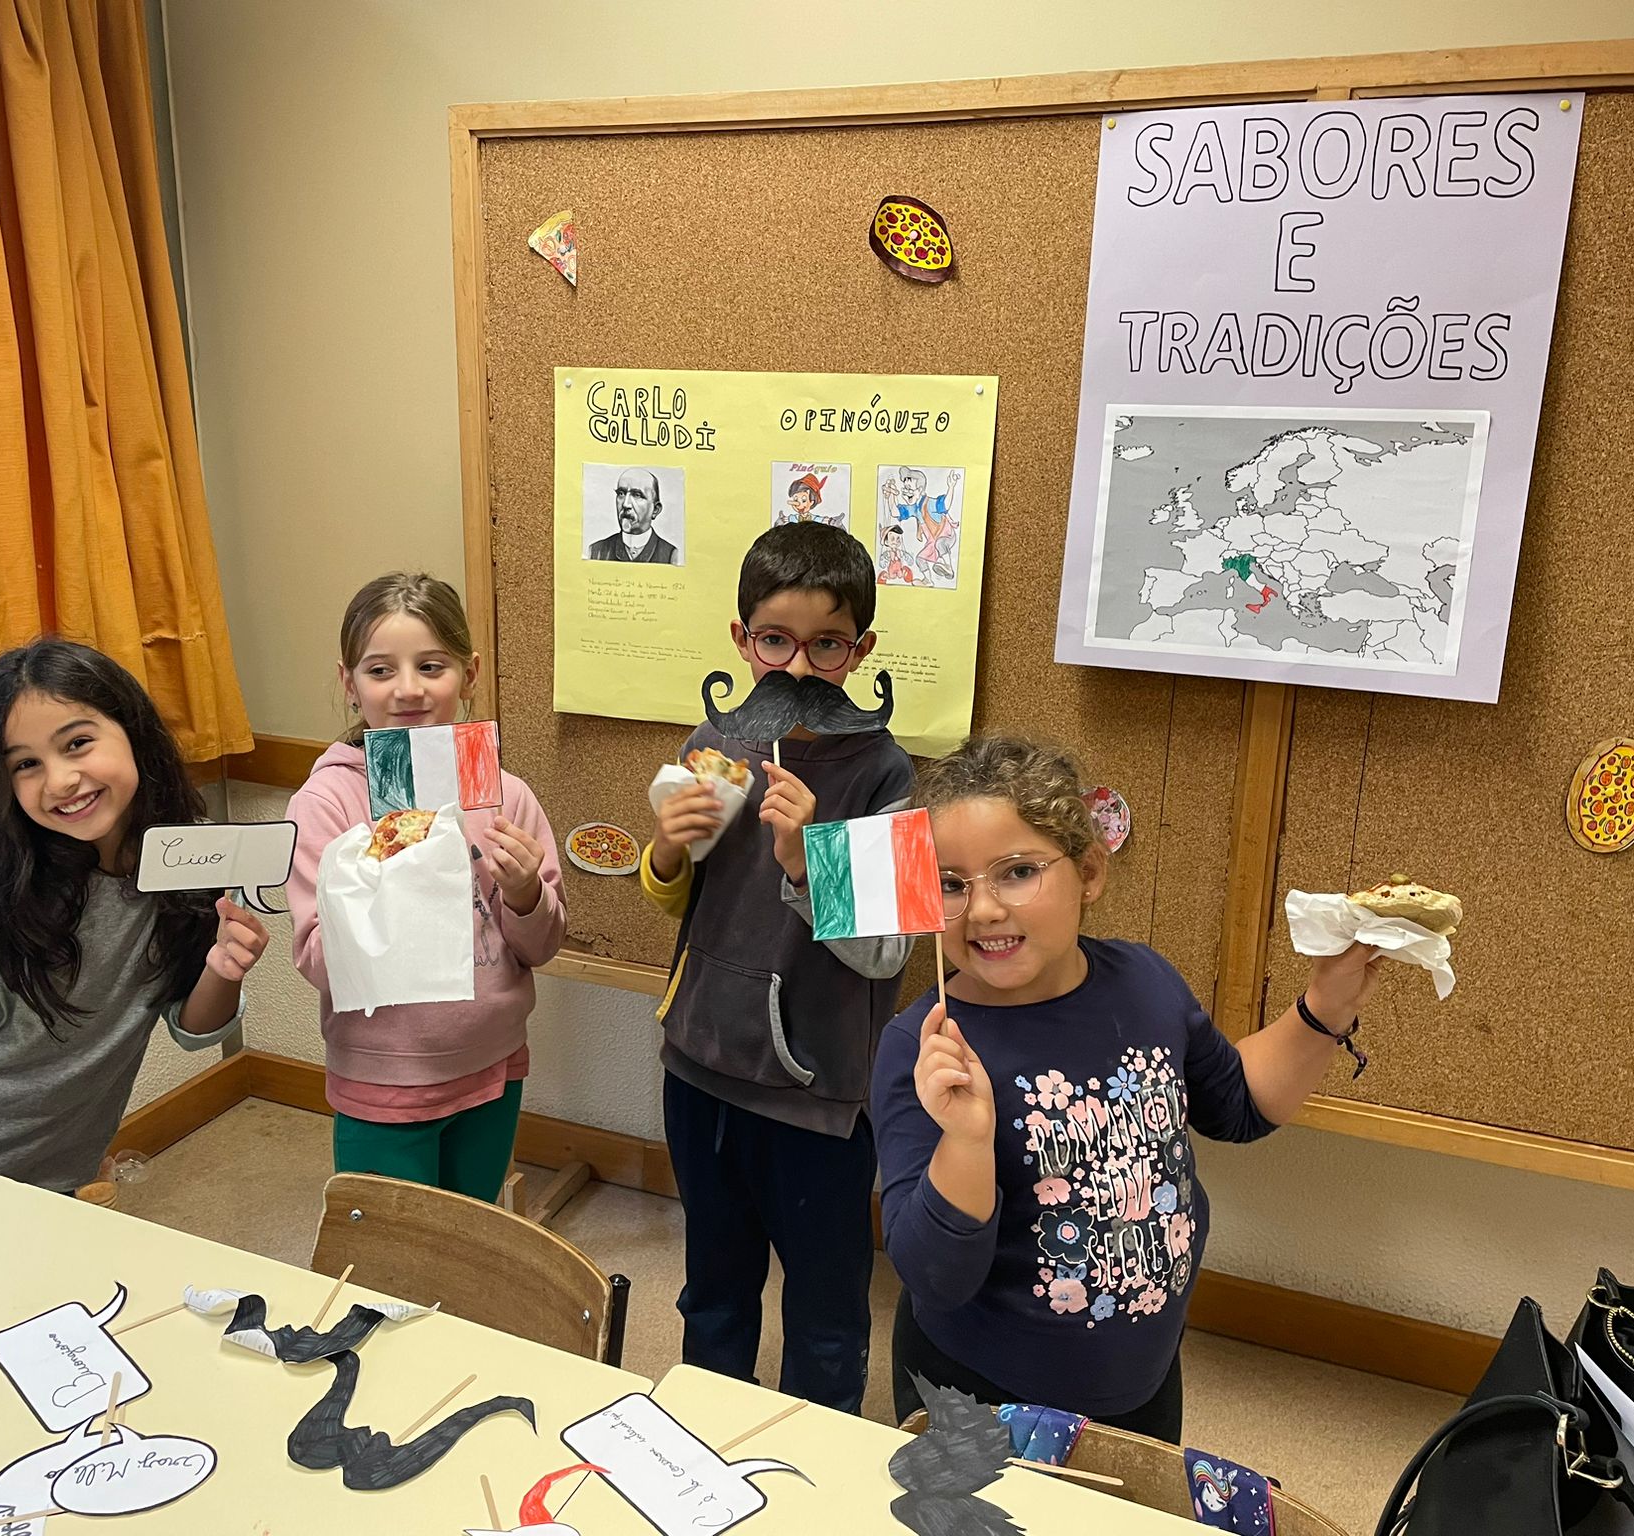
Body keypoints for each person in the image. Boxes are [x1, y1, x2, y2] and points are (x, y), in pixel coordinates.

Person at [872, 735, 1392, 1438]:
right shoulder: (927, 1048)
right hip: (980, 1388)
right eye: (952, 884)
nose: (984, 909)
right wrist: (965, 1141)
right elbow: (936, 1278)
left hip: (1141, 1380)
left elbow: (1237, 1105)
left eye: (1018, 872)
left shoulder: (1144, 981)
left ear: (1089, 871)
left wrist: (1325, 1006)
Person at [642, 521, 914, 1413]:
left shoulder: (890, 777)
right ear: (741, 639)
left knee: (827, 1315)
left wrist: (808, 862)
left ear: (860, 650)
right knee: (713, 1289)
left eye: (826, 645)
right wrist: (668, 851)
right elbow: (684, 900)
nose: (797, 667)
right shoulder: (713, 742)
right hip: (700, 1067)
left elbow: (888, 952)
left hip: (817, 1098)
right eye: (775, 641)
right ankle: (705, 1433)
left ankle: (818, 1459)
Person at [0, 640, 270, 1192]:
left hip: (42, 1173)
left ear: (133, 732)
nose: (61, 780)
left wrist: (223, 970)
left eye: (78, 743)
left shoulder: (191, 857)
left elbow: (194, 1031)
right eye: (26, 764)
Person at [286, 573, 565, 1199]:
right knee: (392, 1245)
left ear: (469, 674)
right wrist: (393, 877)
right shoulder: (328, 802)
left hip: (493, 1062)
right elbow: (317, 960)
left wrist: (525, 894)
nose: (408, 689)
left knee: (468, 1230)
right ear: (349, 684)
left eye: (431, 666)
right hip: (383, 1076)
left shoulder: (506, 793)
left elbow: (543, 945)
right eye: (380, 670)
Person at [587, 467, 681, 564]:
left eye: (637, 495)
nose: (625, 504)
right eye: (621, 493)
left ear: (655, 510)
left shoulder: (671, 555)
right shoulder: (596, 551)